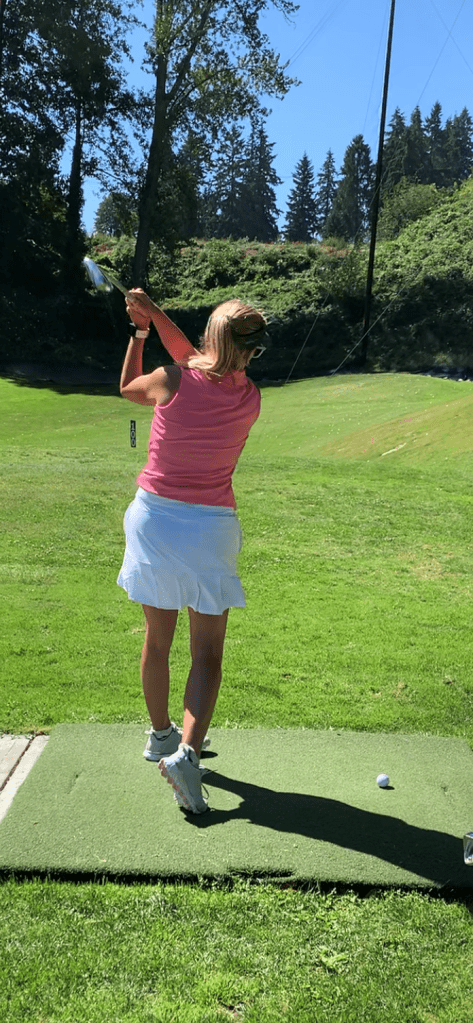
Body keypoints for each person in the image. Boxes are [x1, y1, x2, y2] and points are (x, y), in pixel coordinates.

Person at [117, 288, 268, 813]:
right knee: (206, 652)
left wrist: (140, 331)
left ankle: (161, 734)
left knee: (158, 640)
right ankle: (187, 753)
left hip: (155, 521)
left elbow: (128, 388)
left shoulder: (171, 378)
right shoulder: (250, 396)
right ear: (253, 349)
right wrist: (155, 313)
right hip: (210, 529)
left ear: (210, 336)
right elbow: (199, 359)